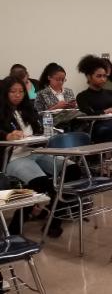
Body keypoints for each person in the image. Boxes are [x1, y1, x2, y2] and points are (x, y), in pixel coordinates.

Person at [0, 76, 73, 237]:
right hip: (14, 158)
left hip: (35, 152)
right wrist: (7, 136)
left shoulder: (28, 109)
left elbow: (38, 129)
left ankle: (35, 215)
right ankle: (51, 219)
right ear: (5, 93)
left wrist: (43, 134)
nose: (17, 95)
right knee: (42, 184)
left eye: (20, 91)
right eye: (13, 91)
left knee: (73, 169)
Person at [76, 54, 112, 142]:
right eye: (99, 76)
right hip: (97, 127)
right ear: (89, 77)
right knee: (110, 129)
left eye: (104, 76)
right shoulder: (82, 96)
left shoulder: (111, 93)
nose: (103, 79)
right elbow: (88, 114)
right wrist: (105, 111)